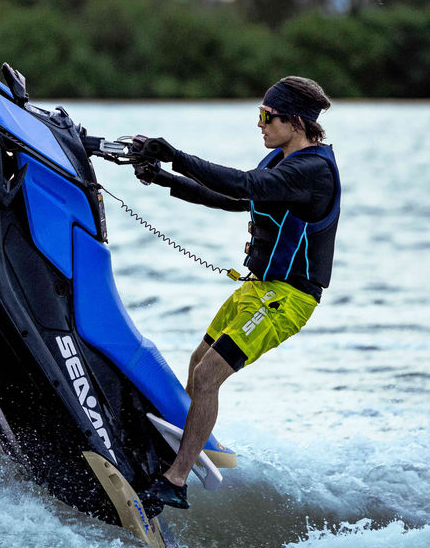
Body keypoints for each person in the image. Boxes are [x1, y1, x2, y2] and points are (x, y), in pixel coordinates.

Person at [128, 76, 341, 517]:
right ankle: (184, 451)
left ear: (296, 122)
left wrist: (176, 155)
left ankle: (176, 481)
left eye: (266, 116)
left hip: (288, 299)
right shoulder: (281, 159)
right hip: (256, 290)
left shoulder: (313, 170)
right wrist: (165, 178)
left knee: (208, 378)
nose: (259, 124)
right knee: (196, 363)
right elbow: (233, 199)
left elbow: (244, 184)